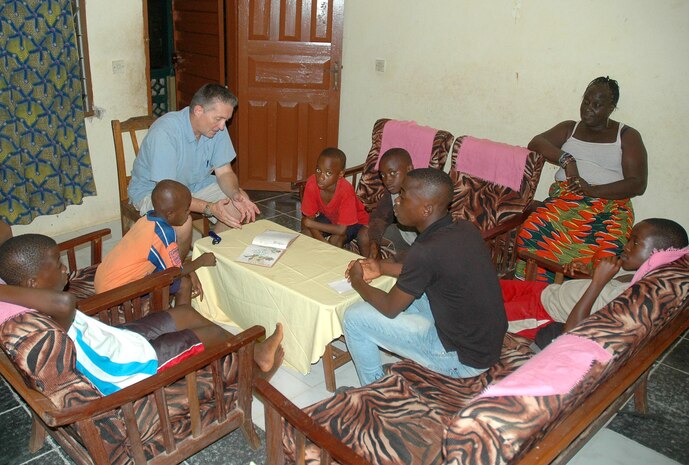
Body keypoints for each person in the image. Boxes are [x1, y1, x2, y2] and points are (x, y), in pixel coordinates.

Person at [0, 233, 284, 394]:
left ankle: (249, 353)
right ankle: (254, 370)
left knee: (184, 312)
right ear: (33, 285)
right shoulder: (43, 308)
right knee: (208, 334)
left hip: (114, 340)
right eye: (57, 265)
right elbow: (64, 303)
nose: (65, 270)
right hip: (126, 367)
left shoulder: (19, 295)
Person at [343, 168, 506, 386]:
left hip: (462, 361)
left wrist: (357, 280)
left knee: (354, 317)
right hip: (487, 344)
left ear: (426, 209)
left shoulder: (426, 250)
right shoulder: (464, 228)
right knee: (417, 292)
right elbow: (427, 270)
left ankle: (374, 387)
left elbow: (390, 307)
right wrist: (381, 267)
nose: (397, 202)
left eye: (403, 196)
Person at [516, 76, 648, 282]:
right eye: (586, 102)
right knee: (532, 231)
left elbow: (637, 183)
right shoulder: (570, 128)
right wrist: (567, 160)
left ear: (611, 108)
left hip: (608, 207)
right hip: (566, 202)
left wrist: (592, 191)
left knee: (606, 251)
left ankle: (575, 299)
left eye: (597, 105)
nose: (588, 109)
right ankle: (532, 291)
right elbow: (536, 142)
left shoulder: (626, 135)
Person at [504, 218, 688, 345]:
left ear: (659, 254)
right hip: (547, 291)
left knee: (482, 313)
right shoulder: (635, 273)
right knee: (484, 288)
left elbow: (573, 331)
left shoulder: (631, 298)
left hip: (543, 313)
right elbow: (602, 291)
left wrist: (597, 282)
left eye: (636, 242)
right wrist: (590, 275)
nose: (626, 245)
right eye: (629, 239)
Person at [127, 83, 260, 258]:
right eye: (218, 119)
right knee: (182, 223)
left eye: (225, 121)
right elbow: (170, 195)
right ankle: (179, 273)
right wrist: (210, 208)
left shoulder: (216, 129)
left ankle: (208, 259)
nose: (222, 126)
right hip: (155, 192)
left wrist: (235, 194)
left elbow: (225, 172)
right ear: (198, 111)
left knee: (237, 205)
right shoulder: (166, 132)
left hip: (195, 184)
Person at [95, 180, 215, 306]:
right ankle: (179, 319)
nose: (189, 212)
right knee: (184, 284)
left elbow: (167, 261)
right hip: (116, 295)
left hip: (102, 281)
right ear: (170, 214)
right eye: (186, 209)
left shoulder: (147, 219)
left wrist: (189, 269)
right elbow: (174, 273)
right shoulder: (165, 233)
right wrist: (201, 261)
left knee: (176, 275)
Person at [301, 147, 369, 248]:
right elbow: (308, 220)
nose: (321, 177)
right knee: (306, 233)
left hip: (355, 222)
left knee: (335, 239)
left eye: (328, 173)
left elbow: (341, 230)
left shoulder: (346, 190)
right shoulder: (312, 183)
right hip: (331, 218)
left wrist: (311, 224)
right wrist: (322, 241)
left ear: (340, 174)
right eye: (318, 170)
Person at [356, 148, 416, 260]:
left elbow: (430, 235)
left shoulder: (422, 193)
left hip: (423, 242)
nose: (387, 180)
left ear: (409, 169)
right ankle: (370, 269)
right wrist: (375, 244)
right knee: (364, 235)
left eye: (393, 173)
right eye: (383, 175)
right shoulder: (391, 190)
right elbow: (380, 217)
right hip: (402, 234)